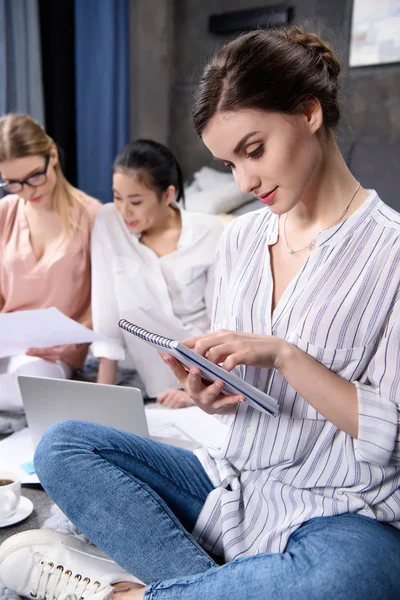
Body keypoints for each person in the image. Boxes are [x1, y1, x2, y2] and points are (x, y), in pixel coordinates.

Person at [1, 25, 400, 600]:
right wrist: (209, 394)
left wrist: (287, 358)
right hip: (232, 484)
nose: (246, 180)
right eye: (228, 163)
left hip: (344, 509)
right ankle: (218, 590)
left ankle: (129, 595)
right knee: (62, 446)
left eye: (254, 150)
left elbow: (391, 437)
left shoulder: (390, 252)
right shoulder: (239, 241)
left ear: (309, 113)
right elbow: (240, 405)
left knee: (354, 579)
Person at [90, 139, 223, 407]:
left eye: (136, 201)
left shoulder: (211, 232)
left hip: (206, 374)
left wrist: (196, 390)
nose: (125, 211)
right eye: (117, 197)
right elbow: (107, 311)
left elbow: (222, 323)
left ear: (167, 195)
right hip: (149, 381)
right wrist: (101, 397)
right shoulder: (109, 222)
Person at [0, 113, 101, 424]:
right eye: (13, 183)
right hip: (7, 343)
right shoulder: (5, 212)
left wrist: (74, 341)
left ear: (52, 155)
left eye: (34, 176)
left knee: (30, 384)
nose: (27, 191)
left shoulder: (92, 215)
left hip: (54, 353)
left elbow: (108, 301)